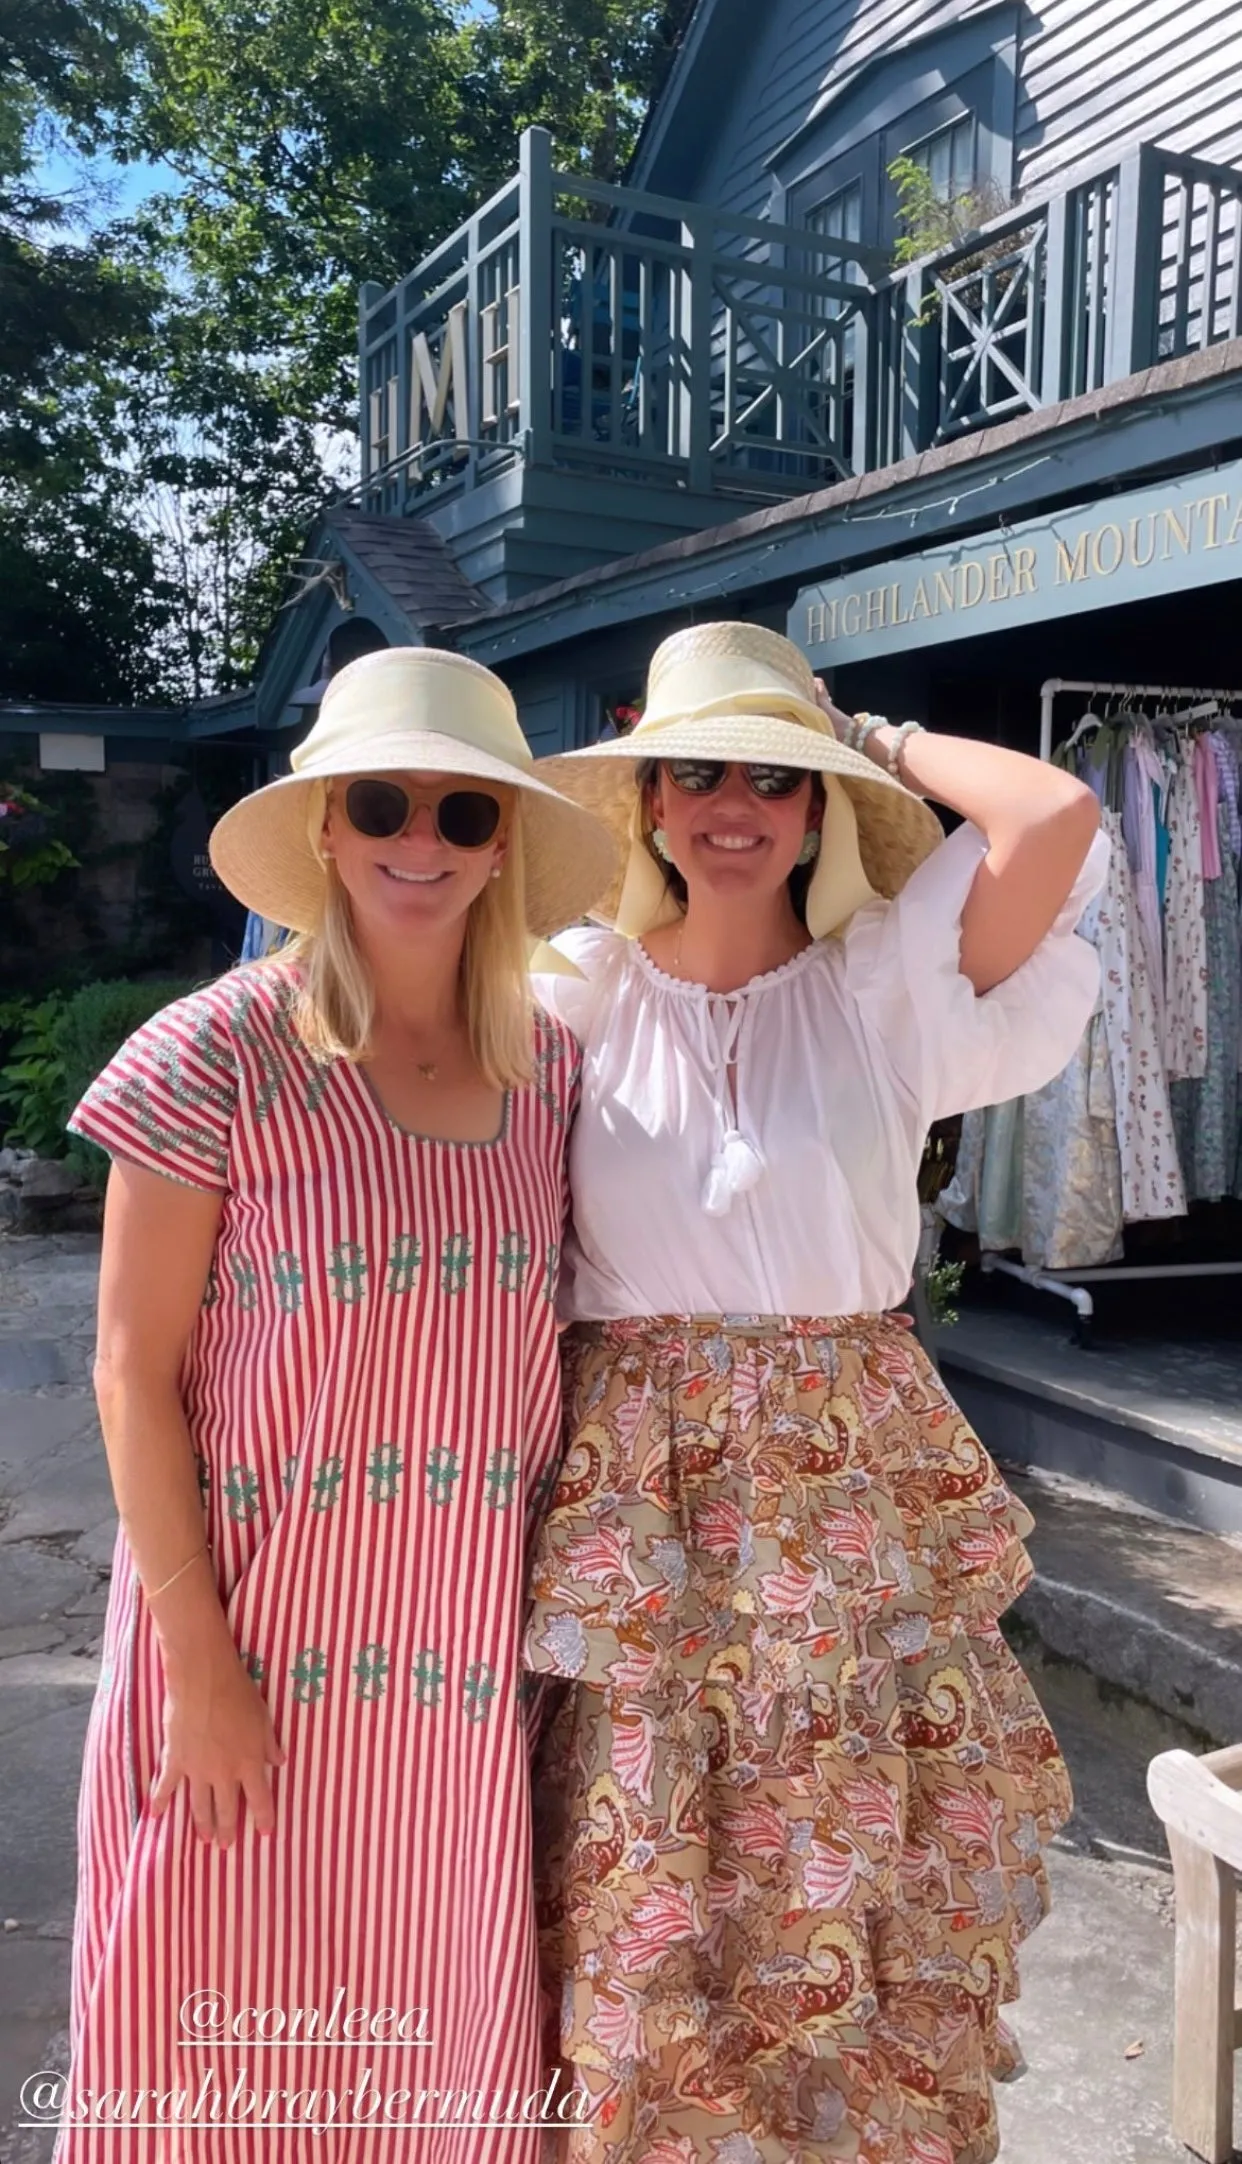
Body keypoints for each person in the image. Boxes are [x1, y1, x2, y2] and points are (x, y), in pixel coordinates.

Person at [521, 622, 1106, 2164]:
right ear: (646, 800)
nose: (733, 803)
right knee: (648, 1862)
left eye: (774, 778)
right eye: (696, 770)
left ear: (818, 805)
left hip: (843, 1480)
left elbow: (1050, 819)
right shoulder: (570, 992)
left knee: (841, 1850)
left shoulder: (881, 986)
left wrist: (877, 734)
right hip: (640, 1498)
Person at [59, 646, 616, 2164]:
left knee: (431, 2044)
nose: (419, 840)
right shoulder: (212, 1055)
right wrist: (202, 1668)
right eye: (382, 800)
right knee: (216, 2031)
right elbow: (132, 1371)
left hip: (453, 1673)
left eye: (463, 810)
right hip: (247, 1644)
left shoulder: (554, 1075)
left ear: (504, 841)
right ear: (324, 826)